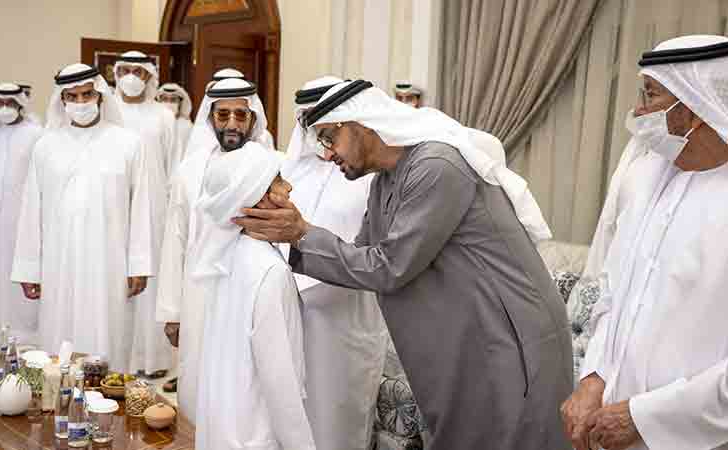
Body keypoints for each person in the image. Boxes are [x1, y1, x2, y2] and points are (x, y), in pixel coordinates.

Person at [235, 80, 573, 449]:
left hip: (507, 344)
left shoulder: (437, 166)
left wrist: (300, 234)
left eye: (330, 138)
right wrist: (296, 238)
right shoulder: (384, 183)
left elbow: (389, 267)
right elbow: (361, 257)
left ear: (360, 124)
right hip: (465, 345)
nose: (328, 155)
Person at [561, 34, 728, 450]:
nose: (638, 110)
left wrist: (646, 417)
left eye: (650, 95)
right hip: (610, 428)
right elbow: (612, 294)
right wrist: (593, 377)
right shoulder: (645, 173)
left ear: (695, 109)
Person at [10, 64, 153, 372]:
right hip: (59, 263)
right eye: (72, 96)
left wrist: (139, 264)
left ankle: (109, 406)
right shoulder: (46, 146)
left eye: (87, 94)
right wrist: (28, 268)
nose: (81, 102)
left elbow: (140, 207)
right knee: (59, 342)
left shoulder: (128, 143)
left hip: (110, 262)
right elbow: (31, 209)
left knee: (109, 339)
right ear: (62, 100)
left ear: (100, 95)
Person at [279, 76, 388, 450]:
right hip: (288, 314)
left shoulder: (369, 174)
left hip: (346, 322)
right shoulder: (289, 173)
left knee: (337, 424)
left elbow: (379, 257)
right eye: (307, 120)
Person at [156, 77, 272, 424]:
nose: (232, 123)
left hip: (249, 293)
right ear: (210, 119)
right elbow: (174, 240)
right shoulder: (189, 171)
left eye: (241, 114)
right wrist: (171, 311)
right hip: (198, 296)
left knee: (243, 383)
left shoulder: (270, 166)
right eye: (223, 115)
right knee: (199, 377)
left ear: (253, 119)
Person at [193, 143, 315, 450]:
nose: (288, 187)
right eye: (277, 180)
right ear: (257, 196)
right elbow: (280, 381)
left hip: (222, 429)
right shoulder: (269, 271)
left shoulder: (222, 257)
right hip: (255, 436)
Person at [113, 50, 175, 377]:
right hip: (115, 205)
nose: (132, 76)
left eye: (140, 70)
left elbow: (172, 165)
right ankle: (117, 356)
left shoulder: (163, 116)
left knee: (149, 280)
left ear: (150, 76)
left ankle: (151, 359)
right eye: (126, 69)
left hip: (154, 209)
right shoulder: (108, 112)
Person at [0, 83, 43, 343]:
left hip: (22, 218)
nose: (5, 109)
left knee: (19, 269)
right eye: (0, 103)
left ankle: (22, 330)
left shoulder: (35, 134)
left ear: (21, 104)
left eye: (10, 103)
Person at [157, 83, 194, 178]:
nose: (168, 103)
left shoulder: (186, 127)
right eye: (164, 99)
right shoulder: (153, 124)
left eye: (173, 100)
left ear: (180, 103)